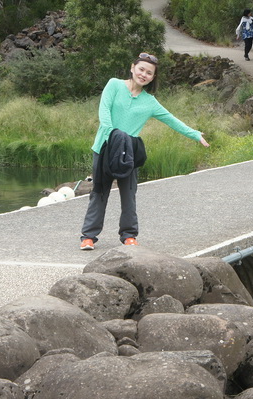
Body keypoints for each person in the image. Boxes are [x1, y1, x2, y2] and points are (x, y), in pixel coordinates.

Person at [79, 53, 210, 251]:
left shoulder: (150, 102)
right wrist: (113, 136)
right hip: (104, 148)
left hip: (128, 153)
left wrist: (194, 134)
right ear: (132, 68)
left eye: (149, 73)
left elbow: (171, 119)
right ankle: (89, 236)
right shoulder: (114, 85)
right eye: (141, 69)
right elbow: (104, 113)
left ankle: (129, 236)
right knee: (99, 192)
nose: (144, 74)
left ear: (152, 77)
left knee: (129, 195)